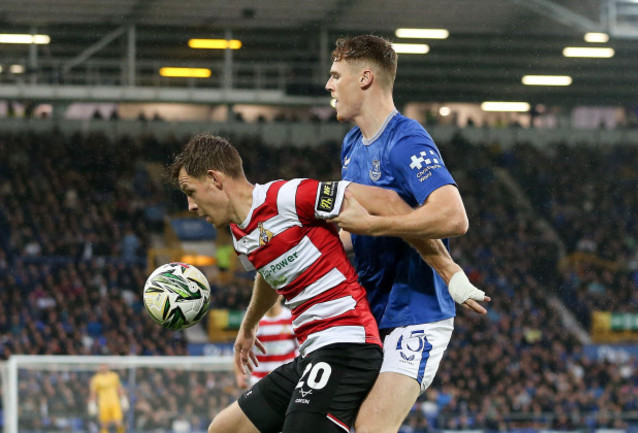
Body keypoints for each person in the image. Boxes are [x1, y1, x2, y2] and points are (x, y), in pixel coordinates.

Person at [325, 34, 490, 433]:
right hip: (371, 313)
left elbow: (453, 217)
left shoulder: (406, 139)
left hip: (417, 315)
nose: (328, 86)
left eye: (334, 75)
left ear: (365, 78)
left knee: (371, 428)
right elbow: (358, 234)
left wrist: (376, 224)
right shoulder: (351, 144)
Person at [168, 134, 385, 433]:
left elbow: (377, 202)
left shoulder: (287, 196)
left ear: (215, 179)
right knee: (224, 429)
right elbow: (269, 274)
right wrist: (249, 325)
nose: (190, 205)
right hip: (312, 352)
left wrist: (443, 254)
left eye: (190, 191)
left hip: (346, 343)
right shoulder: (239, 235)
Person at [233, 297, 299, 389]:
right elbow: (239, 350)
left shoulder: (292, 318)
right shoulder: (253, 322)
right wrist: (239, 375)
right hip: (258, 382)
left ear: (281, 295)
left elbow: (303, 350)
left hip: (288, 380)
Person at [88, 364, 129, 433]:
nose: (103, 367)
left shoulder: (114, 376)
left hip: (115, 403)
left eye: (104, 365)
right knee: (104, 425)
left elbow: (119, 388)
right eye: (101, 365)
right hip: (103, 404)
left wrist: (123, 398)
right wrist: (92, 403)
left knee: (118, 423)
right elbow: (93, 392)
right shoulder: (96, 378)